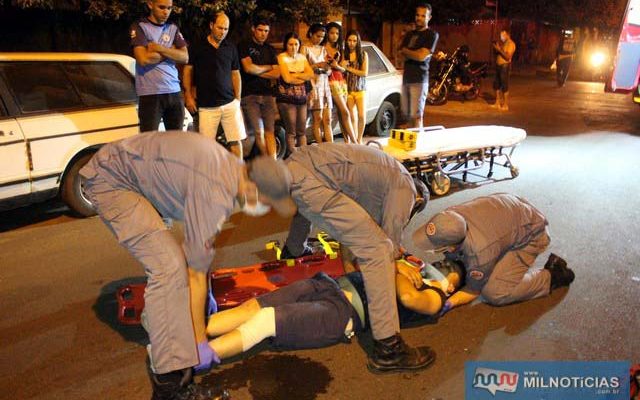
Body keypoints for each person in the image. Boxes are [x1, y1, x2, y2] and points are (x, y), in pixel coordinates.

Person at [79, 131, 296, 399]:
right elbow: (195, 272)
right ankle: (169, 387)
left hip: (131, 171)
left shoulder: (231, 169)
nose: (266, 209)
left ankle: (160, 323)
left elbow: (198, 252)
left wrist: (203, 296)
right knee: (169, 267)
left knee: (178, 269)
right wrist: (198, 341)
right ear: (253, 188)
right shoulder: (214, 190)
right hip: (111, 181)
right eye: (268, 202)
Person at [279, 143, 435, 373]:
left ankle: (293, 251)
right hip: (310, 177)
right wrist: (400, 268)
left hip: (299, 165)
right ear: (419, 201)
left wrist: (350, 272)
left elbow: (351, 232)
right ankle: (389, 348)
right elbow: (388, 243)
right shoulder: (407, 189)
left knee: (360, 236)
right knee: (378, 250)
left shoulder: (380, 180)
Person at [202, 259, 464, 365]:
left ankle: (190, 361)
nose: (441, 263)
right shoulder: (411, 270)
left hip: (343, 312)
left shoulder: (437, 297)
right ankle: (184, 335)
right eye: (443, 259)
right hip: (328, 283)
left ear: (451, 284)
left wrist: (394, 267)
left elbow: (408, 298)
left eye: (449, 267)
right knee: (252, 307)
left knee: (264, 322)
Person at [412, 193, 575, 316]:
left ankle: (552, 276)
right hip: (510, 206)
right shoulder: (448, 218)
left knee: (495, 292)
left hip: (533, 234)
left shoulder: (480, 253)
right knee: (469, 261)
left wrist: (449, 303)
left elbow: (473, 291)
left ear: (454, 246)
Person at [183, 12, 247, 159]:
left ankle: (238, 175)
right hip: (207, 105)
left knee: (236, 142)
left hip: (230, 103)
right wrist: (188, 95)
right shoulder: (198, 46)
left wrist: (237, 100)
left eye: (226, 29)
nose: (223, 32)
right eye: (220, 28)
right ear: (211, 25)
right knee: (207, 146)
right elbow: (188, 70)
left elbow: (235, 74)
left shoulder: (230, 47)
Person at [130, 0, 188, 133]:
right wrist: (172, 51)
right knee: (149, 143)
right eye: (161, 7)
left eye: (169, 8)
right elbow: (143, 59)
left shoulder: (173, 27)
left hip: (174, 92)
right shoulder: (140, 26)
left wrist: (159, 48)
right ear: (150, 4)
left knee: (176, 142)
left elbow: (185, 57)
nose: (166, 12)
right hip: (151, 93)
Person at [237, 13, 281, 158]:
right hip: (250, 95)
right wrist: (268, 67)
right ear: (253, 29)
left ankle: (272, 164)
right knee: (258, 131)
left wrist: (258, 70)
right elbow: (248, 68)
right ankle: (267, 162)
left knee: (270, 131)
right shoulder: (244, 46)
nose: (263, 34)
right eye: (260, 30)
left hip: (268, 95)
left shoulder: (270, 49)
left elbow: (277, 73)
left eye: (266, 31)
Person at [397, 2, 439, 129]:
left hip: (419, 80)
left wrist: (407, 51)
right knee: (408, 116)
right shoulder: (410, 34)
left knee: (417, 116)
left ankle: (419, 144)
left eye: (423, 15)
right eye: (417, 15)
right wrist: (412, 52)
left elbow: (421, 56)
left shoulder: (431, 35)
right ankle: (411, 144)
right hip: (407, 78)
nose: (419, 18)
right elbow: (399, 52)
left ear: (429, 17)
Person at [276, 32, 314, 152]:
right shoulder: (282, 57)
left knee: (302, 131)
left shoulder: (302, 58)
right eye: (290, 44)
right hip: (287, 99)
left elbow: (310, 74)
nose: (293, 47)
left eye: (296, 44)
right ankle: (292, 157)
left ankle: (303, 157)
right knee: (291, 130)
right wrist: (302, 75)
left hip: (302, 98)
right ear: (286, 45)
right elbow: (287, 79)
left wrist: (295, 75)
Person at [324, 21, 357, 144]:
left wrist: (336, 65)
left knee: (342, 114)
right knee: (345, 111)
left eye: (337, 33)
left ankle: (348, 142)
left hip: (341, 81)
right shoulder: (322, 49)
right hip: (330, 82)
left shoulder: (340, 48)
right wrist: (334, 66)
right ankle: (355, 142)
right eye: (332, 33)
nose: (334, 36)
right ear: (327, 33)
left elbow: (344, 69)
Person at [303, 24, 334, 144]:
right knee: (318, 119)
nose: (320, 39)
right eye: (318, 36)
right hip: (314, 85)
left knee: (328, 119)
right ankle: (321, 147)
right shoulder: (305, 49)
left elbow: (329, 69)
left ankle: (331, 148)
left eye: (322, 37)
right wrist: (316, 65)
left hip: (325, 84)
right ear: (311, 34)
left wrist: (327, 68)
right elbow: (303, 68)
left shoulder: (323, 49)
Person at [341, 30, 368, 144]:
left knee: (361, 116)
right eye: (350, 40)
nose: (352, 43)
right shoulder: (344, 54)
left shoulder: (363, 54)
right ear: (346, 41)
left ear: (358, 42)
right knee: (352, 117)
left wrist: (348, 68)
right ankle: (354, 141)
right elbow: (341, 69)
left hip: (360, 89)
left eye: (354, 41)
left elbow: (364, 73)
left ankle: (359, 139)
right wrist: (342, 66)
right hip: (348, 90)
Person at [491, 29, 516, 111]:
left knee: (504, 85)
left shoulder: (511, 44)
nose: (501, 37)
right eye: (501, 35)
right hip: (498, 65)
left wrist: (499, 49)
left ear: (507, 35)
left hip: (504, 66)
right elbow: (499, 53)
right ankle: (497, 102)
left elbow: (507, 56)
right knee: (496, 85)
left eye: (503, 35)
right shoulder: (503, 43)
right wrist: (496, 49)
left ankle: (505, 105)